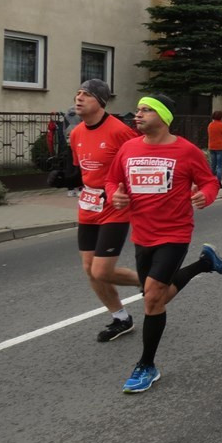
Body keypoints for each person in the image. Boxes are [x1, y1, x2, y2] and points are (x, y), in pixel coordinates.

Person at [106, 94, 222, 393]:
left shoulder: (185, 150)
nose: (138, 114)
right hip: (142, 235)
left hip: (174, 233)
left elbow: (209, 181)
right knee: (157, 296)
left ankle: (146, 365)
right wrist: (114, 196)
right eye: (138, 109)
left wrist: (205, 196)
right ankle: (204, 263)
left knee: (152, 298)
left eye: (146, 110)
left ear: (164, 116)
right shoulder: (128, 149)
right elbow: (112, 181)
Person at [69, 80, 142, 342]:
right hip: (88, 205)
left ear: (100, 101)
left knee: (101, 270)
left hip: (114, 205)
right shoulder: (76, 133)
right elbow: (84, 170)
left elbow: (138, 161)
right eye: (77, 93)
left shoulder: (119, 131)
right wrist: (68, 178)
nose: (79, 98)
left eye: (86, 94)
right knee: (89, 268)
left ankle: (147, 281)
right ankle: (120, 318)